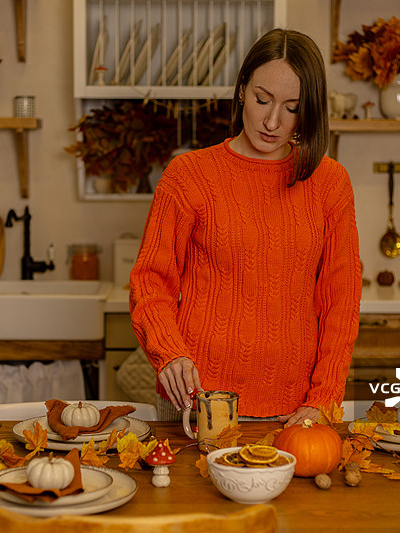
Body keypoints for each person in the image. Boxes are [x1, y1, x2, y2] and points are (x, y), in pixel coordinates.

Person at [129, 28, 361, 425]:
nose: (272, 121)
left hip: (297, 406)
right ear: (241, 90)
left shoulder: (329, 182)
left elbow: (341, 302)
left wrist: (324, 397)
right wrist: (169, 352)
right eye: (262, 99)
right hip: (197, 398)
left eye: (292, 107)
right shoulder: (188, 175)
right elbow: (150, 281)